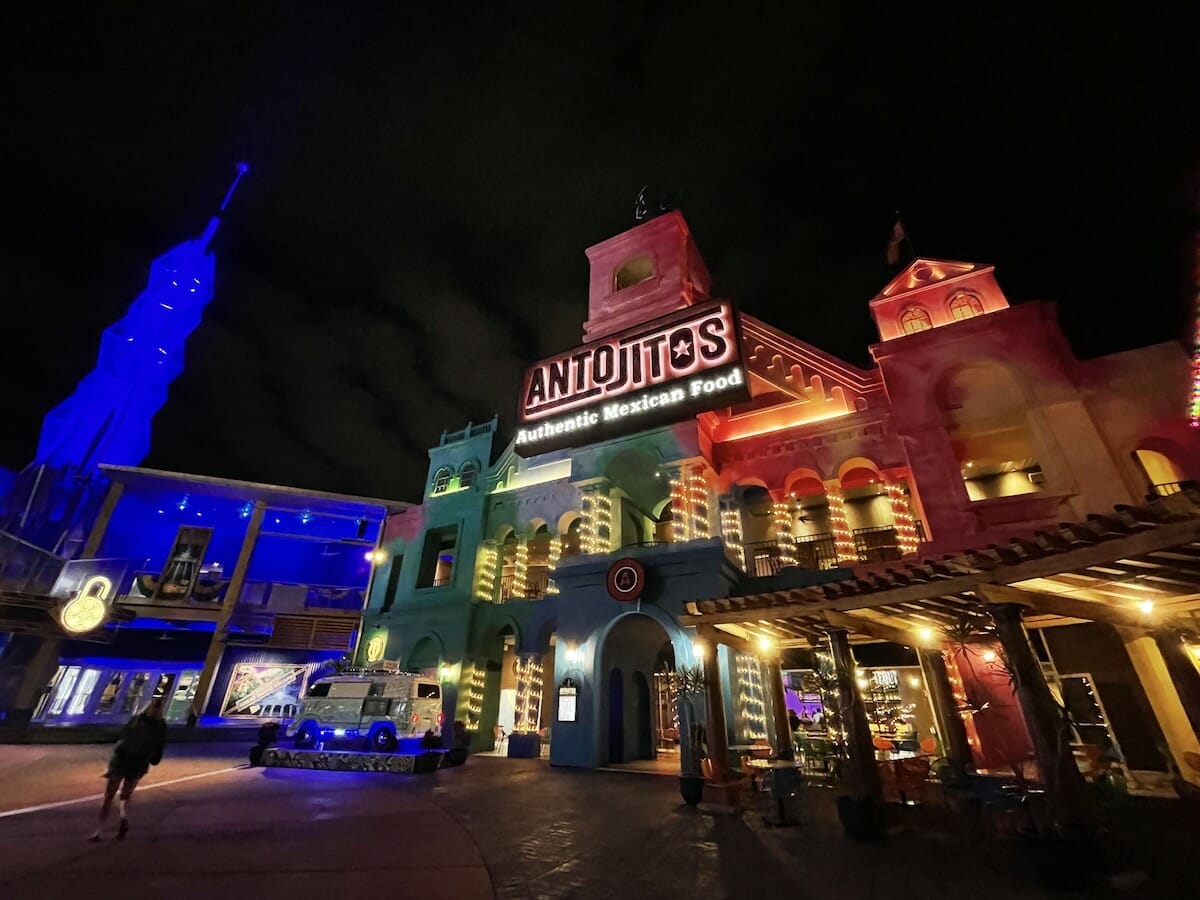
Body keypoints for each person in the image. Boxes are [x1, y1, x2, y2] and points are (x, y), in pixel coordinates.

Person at [89, 696, 167, 841]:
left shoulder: (136, 720)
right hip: (139, 763)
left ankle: (98, 831)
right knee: (125, 795)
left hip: (121, 760)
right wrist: (153, 758)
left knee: (109, 796)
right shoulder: (160, 726)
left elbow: (123, 736)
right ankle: (123, 816)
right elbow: (159, 748)